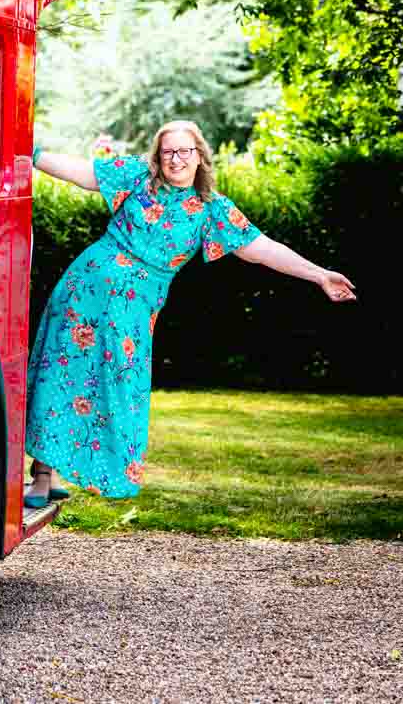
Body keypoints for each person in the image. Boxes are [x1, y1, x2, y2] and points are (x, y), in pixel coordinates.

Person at [24, 120, 356, 506]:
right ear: (158, 157)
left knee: (115, 386)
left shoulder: (213, 211)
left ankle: (67, 463)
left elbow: (263, 248)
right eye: (168, 152)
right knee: (64, 373)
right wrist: (30, 154)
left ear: (200, 156)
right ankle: (42, 475)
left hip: (133, 311)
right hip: (85, 290)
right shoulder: (138, 177)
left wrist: (319, 275)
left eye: (185, 151)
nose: (176, 159)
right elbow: (84, 173)